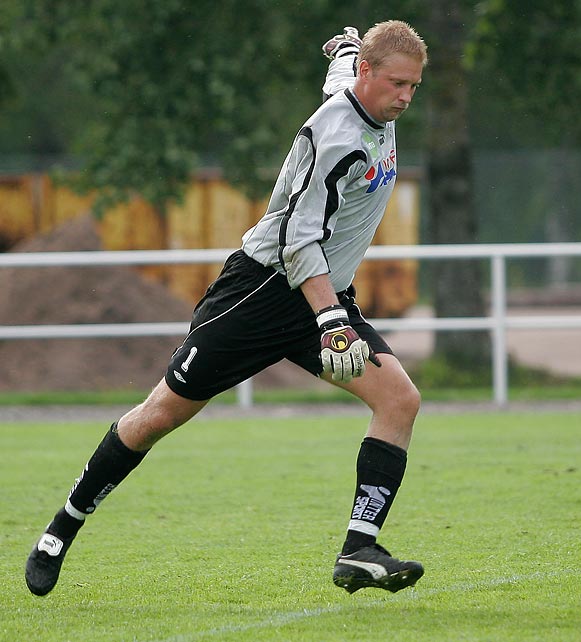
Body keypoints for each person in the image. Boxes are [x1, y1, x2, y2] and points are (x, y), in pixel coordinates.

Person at [25, 20, 428, 597]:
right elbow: (296, 241)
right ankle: (62, 528)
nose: (406, 97)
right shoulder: (336, 136)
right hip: (261, 293)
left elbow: (339, 76)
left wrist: (342, 49)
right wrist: (332, 321)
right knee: (160, 414)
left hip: (320, 296)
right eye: (397, 83)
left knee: (400, 400)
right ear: (369, 74)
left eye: (415, 86)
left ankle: (358, 549)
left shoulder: (366, 94)